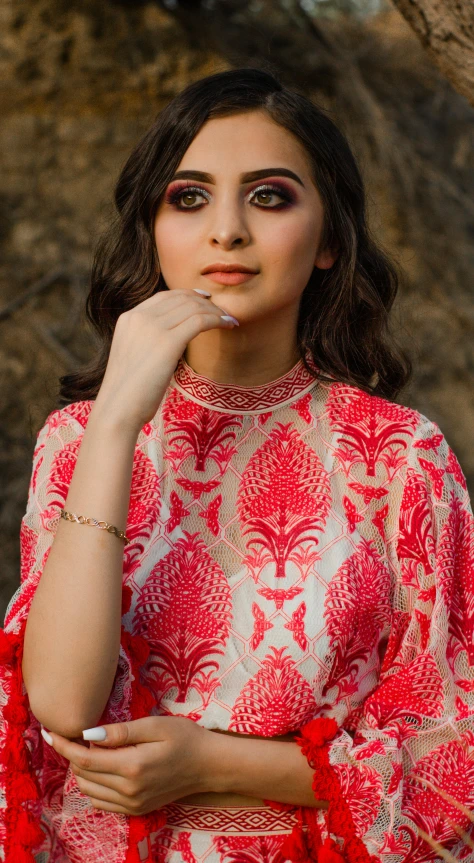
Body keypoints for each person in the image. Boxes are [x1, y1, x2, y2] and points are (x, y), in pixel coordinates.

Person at [1, 66, 473, 863]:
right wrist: (117, 419)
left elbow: (454, 748)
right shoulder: (79, 440)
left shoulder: (400, 458)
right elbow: (61, 706)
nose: (226, 230)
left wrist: (212, 762)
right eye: (189, 197)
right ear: (153, 228)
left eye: (270, 196)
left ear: (327, 240)